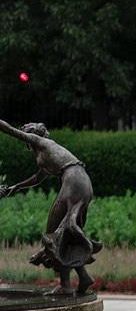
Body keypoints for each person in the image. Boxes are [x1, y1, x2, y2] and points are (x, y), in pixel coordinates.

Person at [0, 119, 101, 294]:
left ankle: (66, 285)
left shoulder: (41, 142)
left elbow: (10, 130)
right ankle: (83, 277)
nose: (26, 136)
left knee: (52, 235)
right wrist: (16, 187)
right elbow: (37, 178)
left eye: (27, 132)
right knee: (65, 232)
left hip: (74, 181)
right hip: (80, 181)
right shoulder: (45, 152)